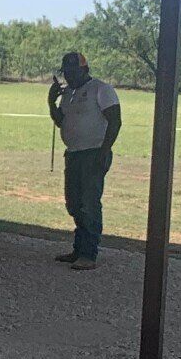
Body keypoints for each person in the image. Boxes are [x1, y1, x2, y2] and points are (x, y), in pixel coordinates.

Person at [47, 51, 122, 269]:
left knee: (89, 203)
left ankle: (89, 254)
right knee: (73, 203)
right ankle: (78, 249)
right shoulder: (68, 92)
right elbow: (61, 121)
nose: (68, 74)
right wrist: (52, 102)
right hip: (73, 153)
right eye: (65, 71)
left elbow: (115, 121)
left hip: (94, 152)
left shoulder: (101, 89)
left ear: (84, 69)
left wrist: (103, 152)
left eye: (72, 69)